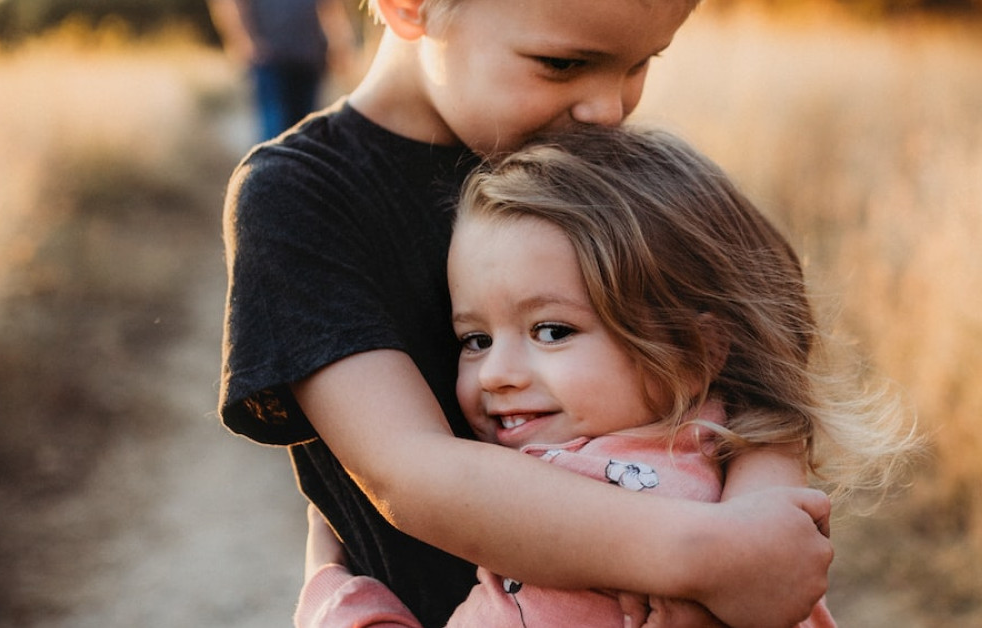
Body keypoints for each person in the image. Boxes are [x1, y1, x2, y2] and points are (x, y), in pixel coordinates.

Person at [219, 1, 838, 626]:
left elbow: (766, 365)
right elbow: (411, 470)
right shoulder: (303, 196)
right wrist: (707, 558)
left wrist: (753, 536)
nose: (607, 110)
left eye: (639, 64)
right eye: (563, 63)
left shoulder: (596, 165)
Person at [291, 125, 916, 627]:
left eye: (552, 331)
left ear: (695, 349)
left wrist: (335, 589)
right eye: (475, 340)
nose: (498, 374)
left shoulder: (569, 505)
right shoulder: (738, 473)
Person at [207, 0, 357, 141]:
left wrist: (339, 45)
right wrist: (243, 41)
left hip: (308, 57)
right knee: (276, 131)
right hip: (269, 60)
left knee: (306, 133)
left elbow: (330, 6)